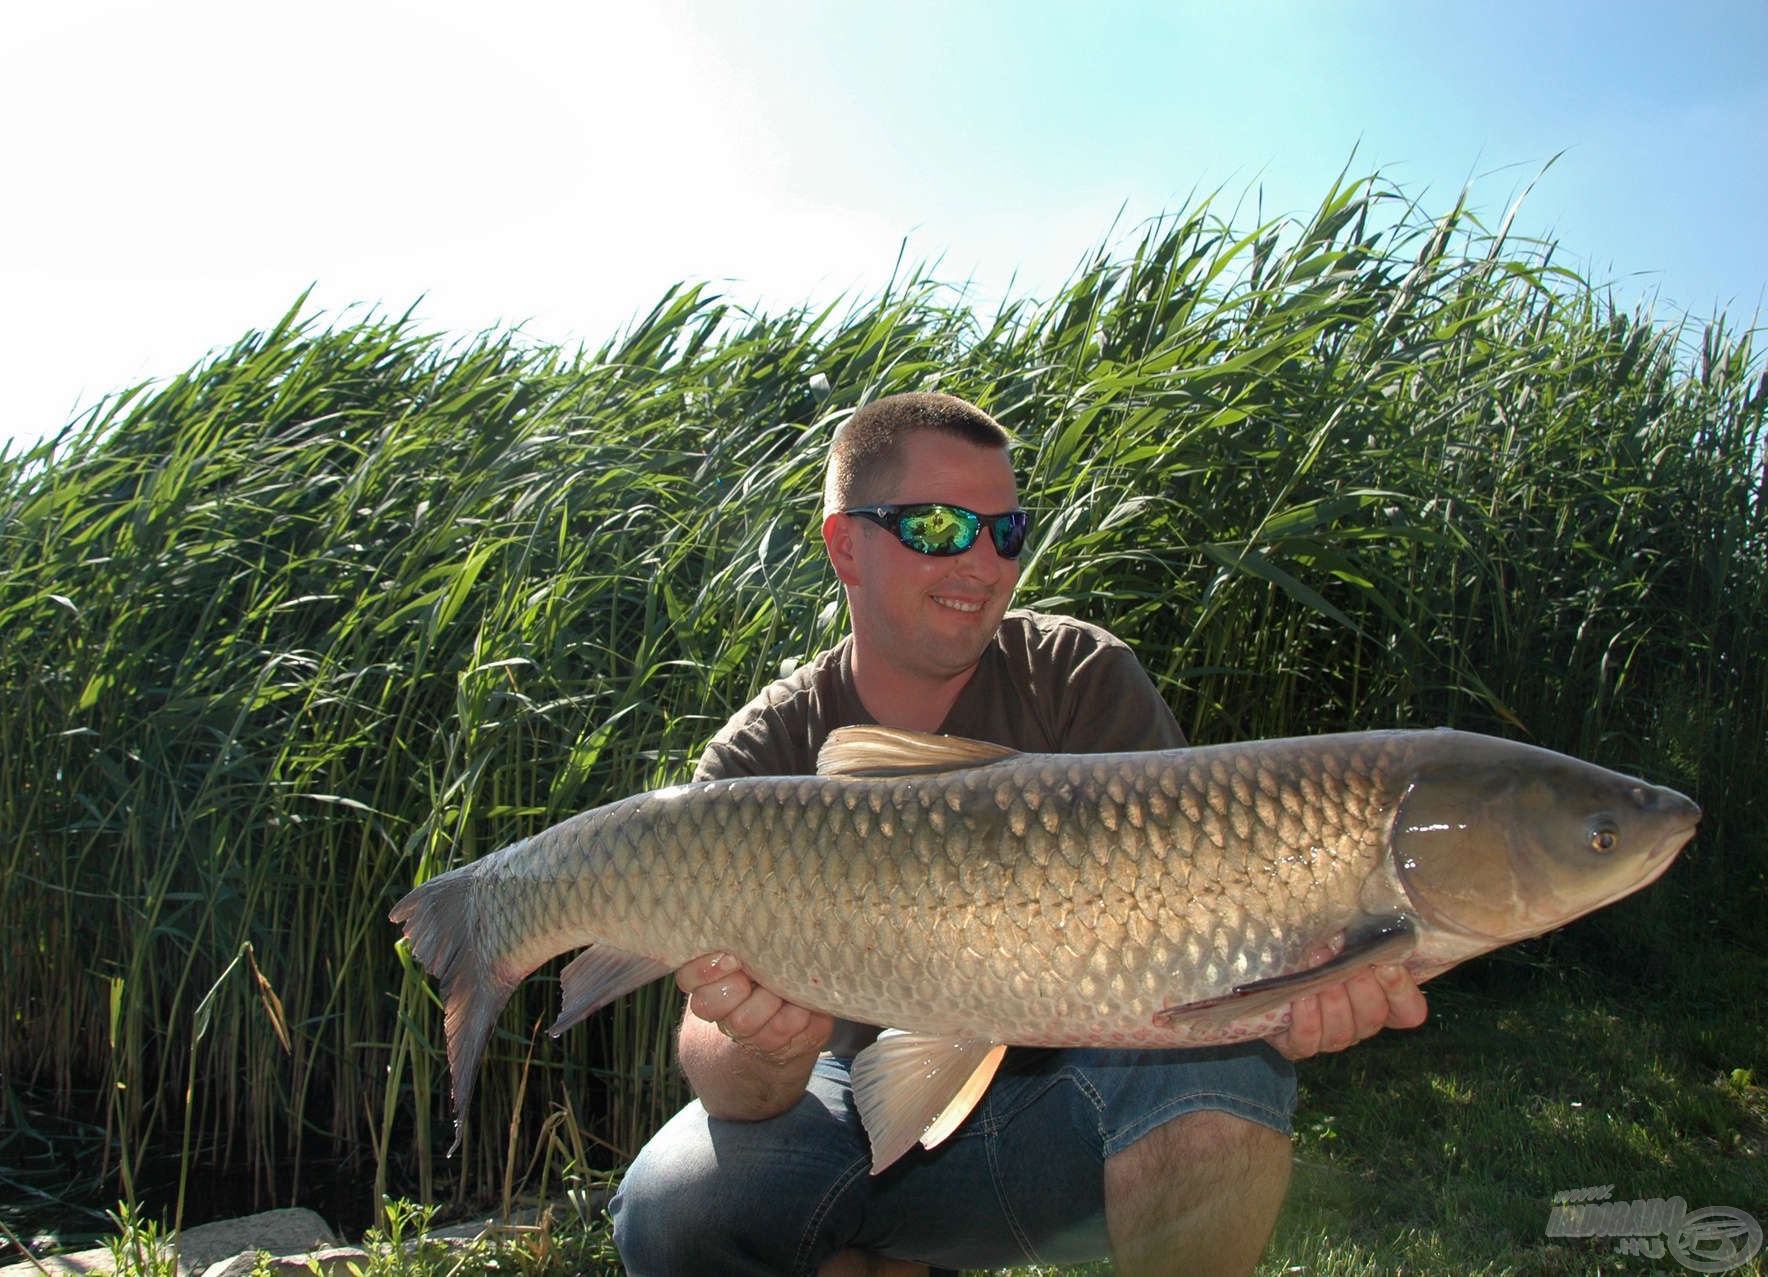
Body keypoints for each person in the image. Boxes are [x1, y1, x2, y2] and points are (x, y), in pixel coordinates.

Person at [608, 392, 1427, 1275]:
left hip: (1071, 1099)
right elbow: (728, 1083)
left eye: (1006, 531)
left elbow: (1214, 944)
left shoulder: (1082, 680)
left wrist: (1295, 986)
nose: (983, 562)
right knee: (674, 1204)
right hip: (853, 1105)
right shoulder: (765, 753)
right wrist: (758, 1039)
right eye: (937, 527)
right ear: (844, 544)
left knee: (1224, 1064)